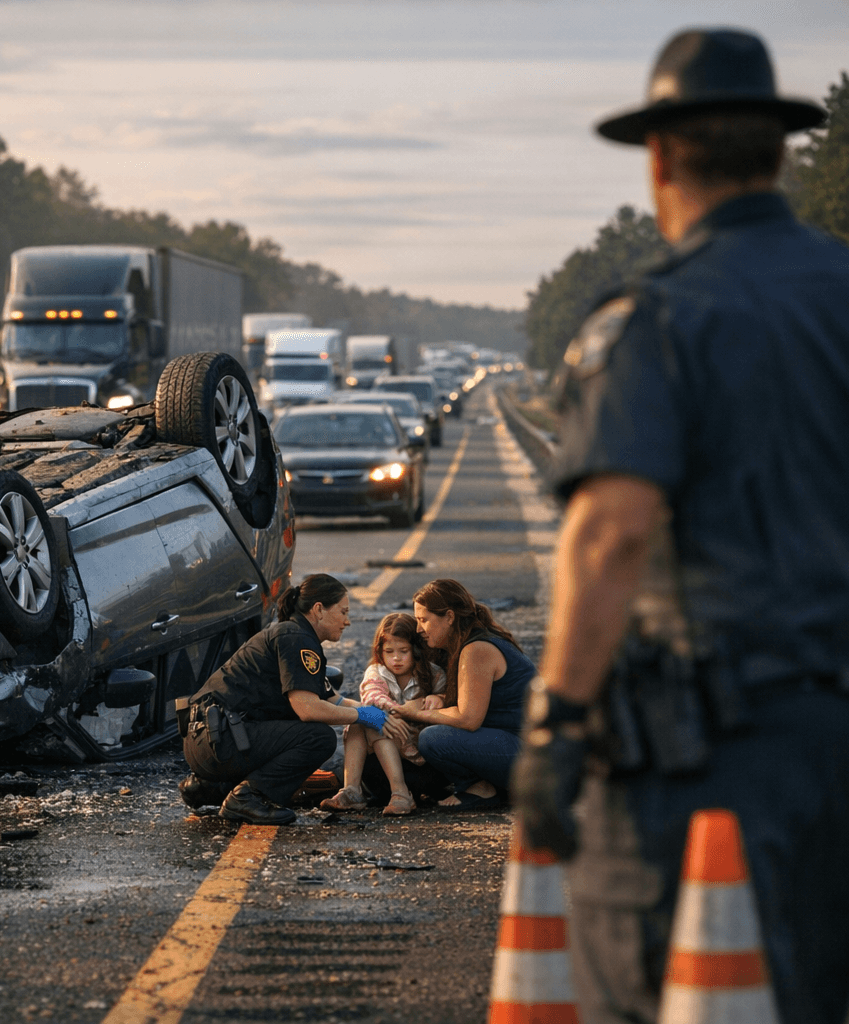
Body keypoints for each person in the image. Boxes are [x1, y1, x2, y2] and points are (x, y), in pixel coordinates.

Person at [510, 28, 849, 1024]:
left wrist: (559, 721)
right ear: (781, 154)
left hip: (713, 758)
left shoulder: (655, 319)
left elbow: (612, 535)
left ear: (658, 157)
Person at [179, 574, 402, 825]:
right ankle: (249, 797)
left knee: (297, 729)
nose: (347, 621)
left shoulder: (294, 634)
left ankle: (212, 788)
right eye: (343, 612)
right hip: (220, 741)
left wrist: (378, 711)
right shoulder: (296, 638)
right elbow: (308, 709)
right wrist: (363, 716)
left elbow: (333, 700)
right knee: (318, 737)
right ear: (319, 609)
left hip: (207, 740)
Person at [391, 578, 534, 810]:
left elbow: (468, 718)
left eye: (423, 620)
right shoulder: (466, 644)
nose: (418, 629)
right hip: (512, 745)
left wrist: (413, 713)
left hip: (526, 753)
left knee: (432, 738)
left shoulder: (477, 649)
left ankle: (480, 790)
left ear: (449, 617)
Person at [325, 612, 445, 816]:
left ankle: (401, 793)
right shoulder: (377, 671)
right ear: (380, 652)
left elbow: (452, 701)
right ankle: (352, 790)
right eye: (389, 651)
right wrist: (392, 714)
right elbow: (372, 695)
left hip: (419, 755)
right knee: (364, 719)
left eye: (403, 651)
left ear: (416, 650)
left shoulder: (433, 674)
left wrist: (440, 698)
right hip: (385, 756)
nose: (396, 658)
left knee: (375, 721)